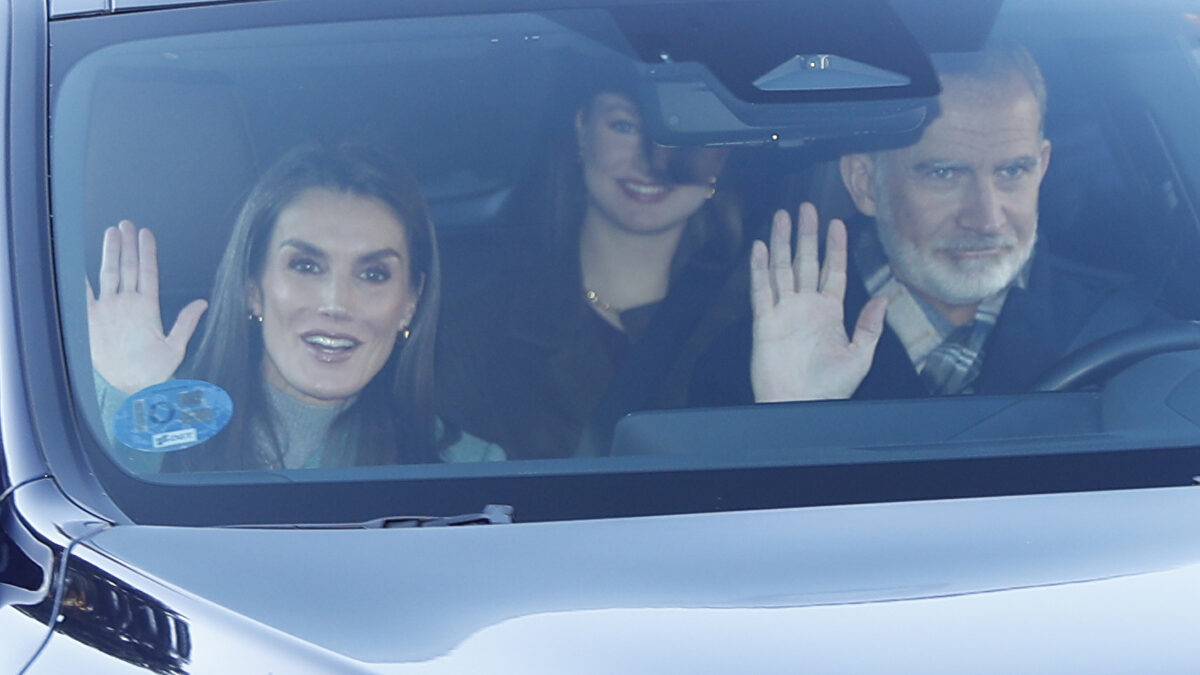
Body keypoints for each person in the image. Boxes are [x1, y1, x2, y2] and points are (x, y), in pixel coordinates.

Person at [745, 43, 1164, 402]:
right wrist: (790, 417)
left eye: (1013, 171)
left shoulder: (1133, 337)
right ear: (865, 182)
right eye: (944, 174)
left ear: (1043, 165)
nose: (986, 218)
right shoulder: (766, 356)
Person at [88, 143, 504, 471]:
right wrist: (132, 400)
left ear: (410, 303)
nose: (337, 303)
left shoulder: (468, 469)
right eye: (305, 266)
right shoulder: (154, 433)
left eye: (373, 274)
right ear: (253, 288)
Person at [436, 71, 745, 460]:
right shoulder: (476, 330)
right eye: (626, 126)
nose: (652, 162)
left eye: (680, 134)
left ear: (723, 153)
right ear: (581, 130)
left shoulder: (757, 319)